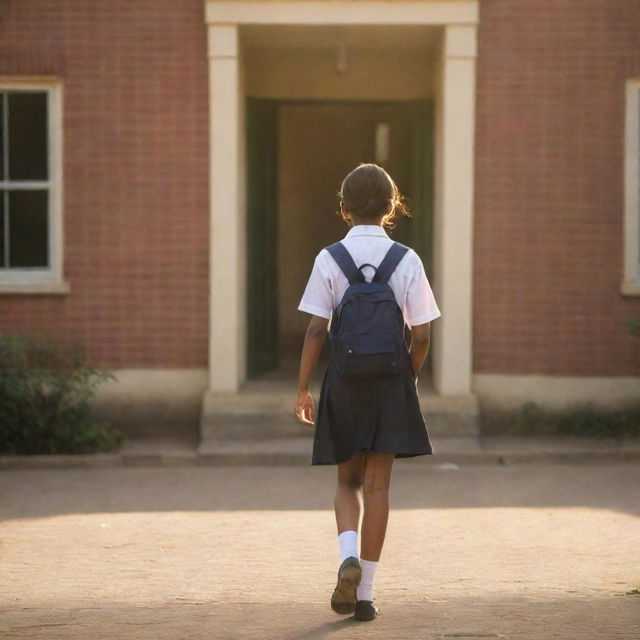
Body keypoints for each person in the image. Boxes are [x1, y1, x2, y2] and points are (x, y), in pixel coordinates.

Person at [294, 162, 441, 622]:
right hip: (390, 383)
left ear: (344, 208)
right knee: (378, 486)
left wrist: (303, 388)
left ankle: (346, 557)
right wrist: (408, 379)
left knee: (347, 482)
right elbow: (421, 336)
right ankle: (366, 596)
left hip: (345, 381)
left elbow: (317, 330)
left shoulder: (328, 259)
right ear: (392, 206)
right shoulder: (408, 259)